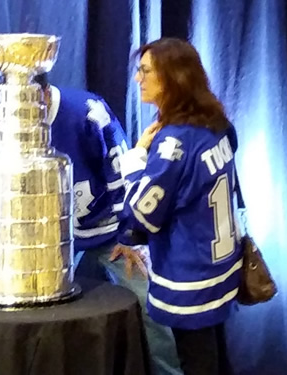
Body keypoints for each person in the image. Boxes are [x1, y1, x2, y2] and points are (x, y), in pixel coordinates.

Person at [34, 73, 183, 375]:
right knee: (49, 316)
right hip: (57, 240)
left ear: (44, 93)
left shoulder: (88, 113)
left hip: (110, 232)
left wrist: (128, 235)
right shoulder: (13, 123)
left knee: (149, 307)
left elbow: (121, 174)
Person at [122, 37, 240, 375]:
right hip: (220, 265)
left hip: (189, 275)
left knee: (198, 364)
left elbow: (141, 212)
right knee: (217, 360)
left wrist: (136, 156)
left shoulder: (173, 141)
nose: (137, 80)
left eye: (145, 71)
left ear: (172, 77)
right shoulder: (215, 124)